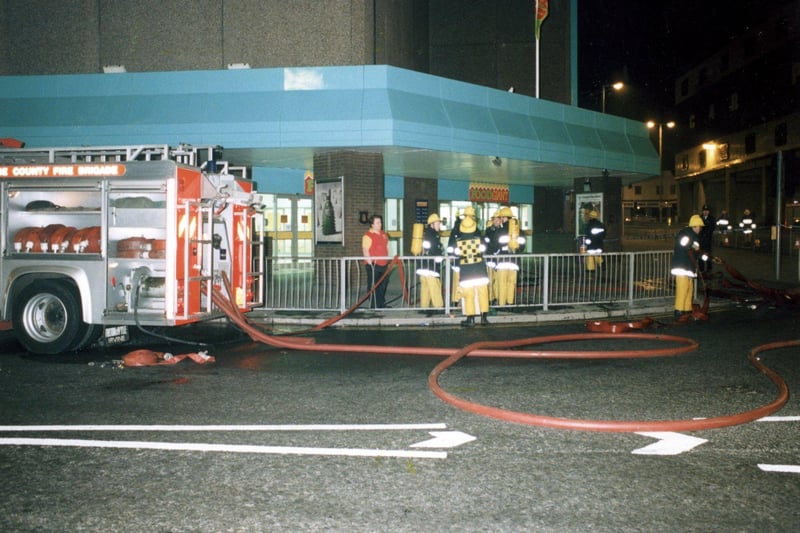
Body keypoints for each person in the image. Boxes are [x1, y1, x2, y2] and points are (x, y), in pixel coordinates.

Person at [453, 206, 490, 326]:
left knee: (469, 296)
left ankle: (471, 319)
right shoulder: (479, 239)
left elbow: (456, 254)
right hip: (480, 270)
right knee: (483, 294)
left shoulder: (458, 241)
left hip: (467, 272)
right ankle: (484, 318)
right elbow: (484, 250)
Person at [670, 214, 709, 321]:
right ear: (694, 226)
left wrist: (702, 256)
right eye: (699, 226)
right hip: (682, 266)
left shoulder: (695, 237)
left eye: (701, 226)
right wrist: (694, 248)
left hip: (689, 268)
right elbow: (684, 244)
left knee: (689, 290)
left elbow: (695, 251)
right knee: (682, 289)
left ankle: (687, 310)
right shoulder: (684, 234)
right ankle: (678, 310)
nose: (700, 228)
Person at [493, 206, 525, 305]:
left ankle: (502, 304)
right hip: (514, 261)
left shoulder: (500, 231)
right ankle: (510, 303)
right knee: (511, 283)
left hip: (502, 261)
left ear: (504, 218)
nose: (501, 219)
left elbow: (495, 245)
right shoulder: (519, 231)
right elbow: (522, 245)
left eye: (501, 217)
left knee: (502, 284)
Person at [416, 213, 445, 311]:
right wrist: (440, 258)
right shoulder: (433, 236)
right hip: (430, 267)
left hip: (422, 267)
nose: (439, 225)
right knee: (435, 287)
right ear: (432, 224)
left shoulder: (426, 234)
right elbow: (435, 251)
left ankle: (424, 307)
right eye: (437, 223)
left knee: (425, 288)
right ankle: (439, 307)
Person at [362, 214, 390, 308]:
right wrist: (370, 264)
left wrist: (388, 259)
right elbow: (365, 250)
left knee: (383, 284)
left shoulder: (383, 234)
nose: (380, 224)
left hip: (383, 264)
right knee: (374, 285)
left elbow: (387, 246)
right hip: (373, 265)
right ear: (372, 225)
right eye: (377, 223)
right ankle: (373, 304)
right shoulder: (368, 236)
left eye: (380, 222)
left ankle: (381, 303)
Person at [582, 209, 605, 276]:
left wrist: (587, 242)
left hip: (591, 245)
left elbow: (588, 235)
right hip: (599, 244)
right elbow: (603, 235)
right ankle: (602, 264)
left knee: (590, 257)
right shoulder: (601, 225)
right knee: (598, 255)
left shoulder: (589, 225)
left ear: (590, 217)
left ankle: (591, 269)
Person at [698, 204, 716, 274]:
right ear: (702, 211)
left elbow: (712, 227)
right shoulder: (699, 218)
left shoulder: (712, 218)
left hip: (708, 240)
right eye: (704, 211)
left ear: (709, 211)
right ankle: (701, 269)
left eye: (707, 211)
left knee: (708, 255)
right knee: (700, 255)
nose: (705, 212)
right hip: (701, 240)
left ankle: (709, 269)